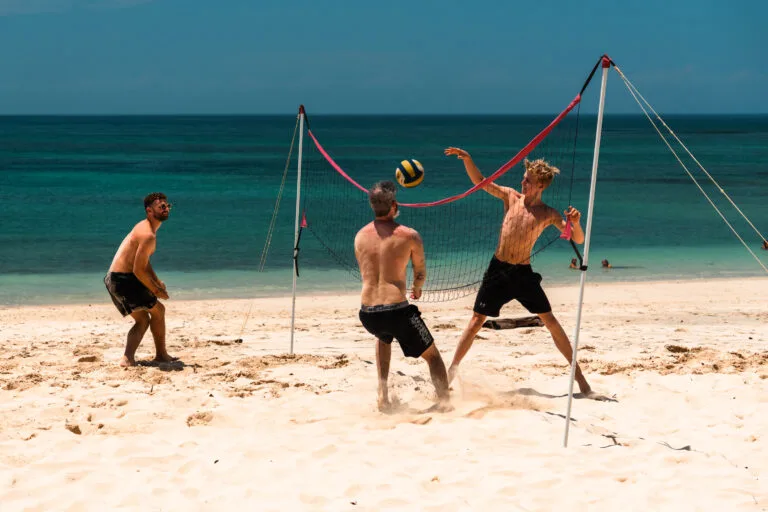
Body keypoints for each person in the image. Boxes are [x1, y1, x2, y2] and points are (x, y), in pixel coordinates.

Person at [444, 148, 608, 400]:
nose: (523, 182)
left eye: (528, 180)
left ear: (540, 185)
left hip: (522, 274)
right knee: (476, 320)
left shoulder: (548, 213)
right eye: (524, 177)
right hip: (497, 270)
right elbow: (481, 183)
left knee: (550, 321)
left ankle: (583, 383)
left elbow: (576, 238)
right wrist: (468, 159)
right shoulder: (511, 197)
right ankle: (449, 376)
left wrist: (575, 221)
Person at [354, 181, 451, 412]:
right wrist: (417, 287)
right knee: (433, 356)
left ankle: (382, 395)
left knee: (383, 337)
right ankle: (446, 403)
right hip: (396, 311)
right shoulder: (409, 235)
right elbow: (420, 271)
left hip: (367, 314)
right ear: (394, 205)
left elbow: (369, 271)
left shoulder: (359, 236)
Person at [104, 192, 174, 367]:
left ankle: (128, 359)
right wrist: (157, 291)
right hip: (124, 280)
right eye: (161, 207)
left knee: (143, 319)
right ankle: (161, 355)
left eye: (167, 206)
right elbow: (138, 269)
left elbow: (143, 261)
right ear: (149, 211)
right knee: (159, 310)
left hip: (113, 279)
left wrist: (157, 282)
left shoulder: (145, 228)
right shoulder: (148, 235)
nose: (166, 209)